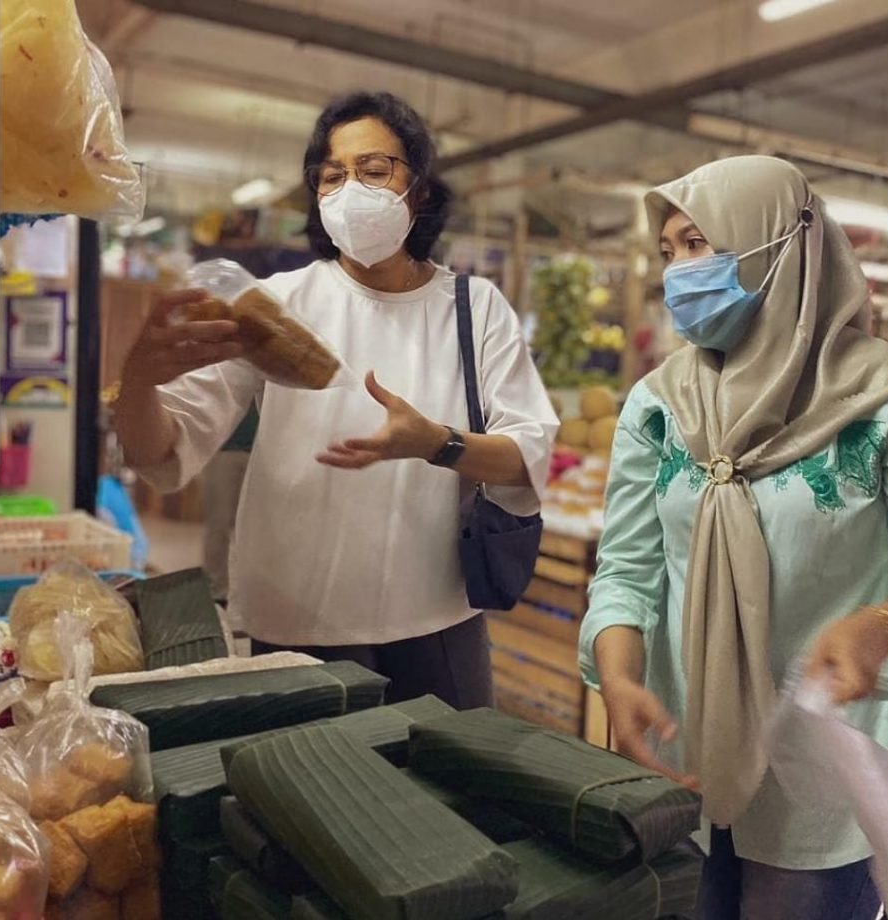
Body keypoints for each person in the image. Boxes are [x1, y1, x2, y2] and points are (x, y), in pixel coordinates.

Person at [578, 155, 888, 920]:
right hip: (681, 745)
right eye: (669, 250)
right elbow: (627, 574)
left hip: (823, 762)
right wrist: (619, 673)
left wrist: (880, 629)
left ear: (777, 244)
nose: (678, 269)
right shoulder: (659, 404)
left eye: (699, 242)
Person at [115, 91, 558, 709]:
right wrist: (137, 380)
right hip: (296, 621)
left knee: (443, 798)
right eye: (332, 176)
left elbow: (528, 454)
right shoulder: (275, 304)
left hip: (437, 617)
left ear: (420, 190)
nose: (352, 190)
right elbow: (163, 449)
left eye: (374, 171)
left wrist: (436, 443)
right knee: (310, 797)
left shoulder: (473, 307)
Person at [201, 404, 258, 604]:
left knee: (255, 530)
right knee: (219, 523)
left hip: (260, 451)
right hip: (223, 451)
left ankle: (250, 595)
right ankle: (216, 593)